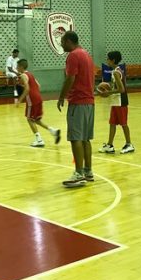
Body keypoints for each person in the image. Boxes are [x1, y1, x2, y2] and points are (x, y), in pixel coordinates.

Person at [57, 31, 95, 188]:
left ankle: (79, 173)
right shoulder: (86, 54)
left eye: (62, 42)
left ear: (68, 41)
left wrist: (61, 97)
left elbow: (70, 78)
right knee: (85, 138)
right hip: (89, 102)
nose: (61, 44)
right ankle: (88, 171)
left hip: (78, 102)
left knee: (76, 138)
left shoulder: (73, 55)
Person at [17, 59, 61, 147]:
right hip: (39, 98)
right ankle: (53, 131)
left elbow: (27, 88)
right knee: (36, 120)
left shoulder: (23, 75)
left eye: (17, 66)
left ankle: (39, 140)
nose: (16, 68)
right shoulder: (30, 74)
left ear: (21, 67)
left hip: (32, 99)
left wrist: (20, 100)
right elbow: (38, 85)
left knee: (29, 119)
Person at [98, 51, 134, 154]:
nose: (107, 61)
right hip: (115, 101)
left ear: (113, 60)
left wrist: (108, 92)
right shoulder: (116, 71)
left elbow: (122, 89)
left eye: (108, 59)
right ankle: (110, 145)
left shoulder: (116, 72)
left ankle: (129, 144)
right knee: (112, 123)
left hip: (121, 101)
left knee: (123, 124)